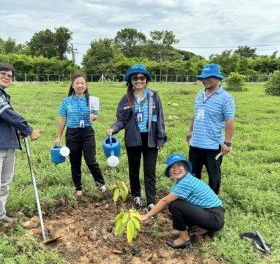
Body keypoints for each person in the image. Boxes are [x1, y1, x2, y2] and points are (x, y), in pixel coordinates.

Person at [0, 62, 43, 241]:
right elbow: (7, 114)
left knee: (4, 183)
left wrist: (16, 131)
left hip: (7, 144)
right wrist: (28, 129)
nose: (6, 77)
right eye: (2, 74)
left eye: (10, 76)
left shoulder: (3, 94)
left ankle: (1, 214)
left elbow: (1, 120)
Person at [107, 64, 167, 215]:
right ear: (131, 81)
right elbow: (121, 119)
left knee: (150, 171)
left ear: (146, 80)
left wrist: (160, 139)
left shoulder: (154, 96)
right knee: (133, 170)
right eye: (135, 78)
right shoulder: (126, 99)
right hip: (133, 138)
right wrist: (113, 128)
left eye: (142, 78)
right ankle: (137, 197)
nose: (139, 80)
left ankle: (151, 202)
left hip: (150, 138)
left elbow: (160, 119)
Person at [141, 153, 225, 249]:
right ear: (169, 172)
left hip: (214, 217)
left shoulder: (186, 182)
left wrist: (147, 216)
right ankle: (202, 229)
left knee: (175, 205)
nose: (176, 169)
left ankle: (184, 238)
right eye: (172, 167)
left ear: (186, 168)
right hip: (212, 214)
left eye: (179, 165)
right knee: (177, 203)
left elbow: (165, 201)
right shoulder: (182, 181)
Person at [186, 64, 235, 195]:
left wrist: (227, 143)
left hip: (213, 146)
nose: (205, 80)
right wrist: (191, 131)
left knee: (214, 177)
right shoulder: (199, 94)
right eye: (203, 78)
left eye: (209, 77)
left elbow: (229, 121)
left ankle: (213, 203)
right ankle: (195, 199)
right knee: (193, 175)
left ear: (218, 78)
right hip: (196, 143)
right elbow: (196, 114)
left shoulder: (226, 98)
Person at [55, 73, 106, 196]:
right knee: (75, 162)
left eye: (83, 83)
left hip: (88, 132)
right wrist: (59, 137)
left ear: (86, 85)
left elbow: (95, 114)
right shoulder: (66, 101)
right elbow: (62, 120)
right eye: (77, 83)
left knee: (91, 161)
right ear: (72, 85)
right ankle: (78, 188)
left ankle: (101, 184)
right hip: (72, 133)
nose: (80, 85)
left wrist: (94, 117)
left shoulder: (92, 100)